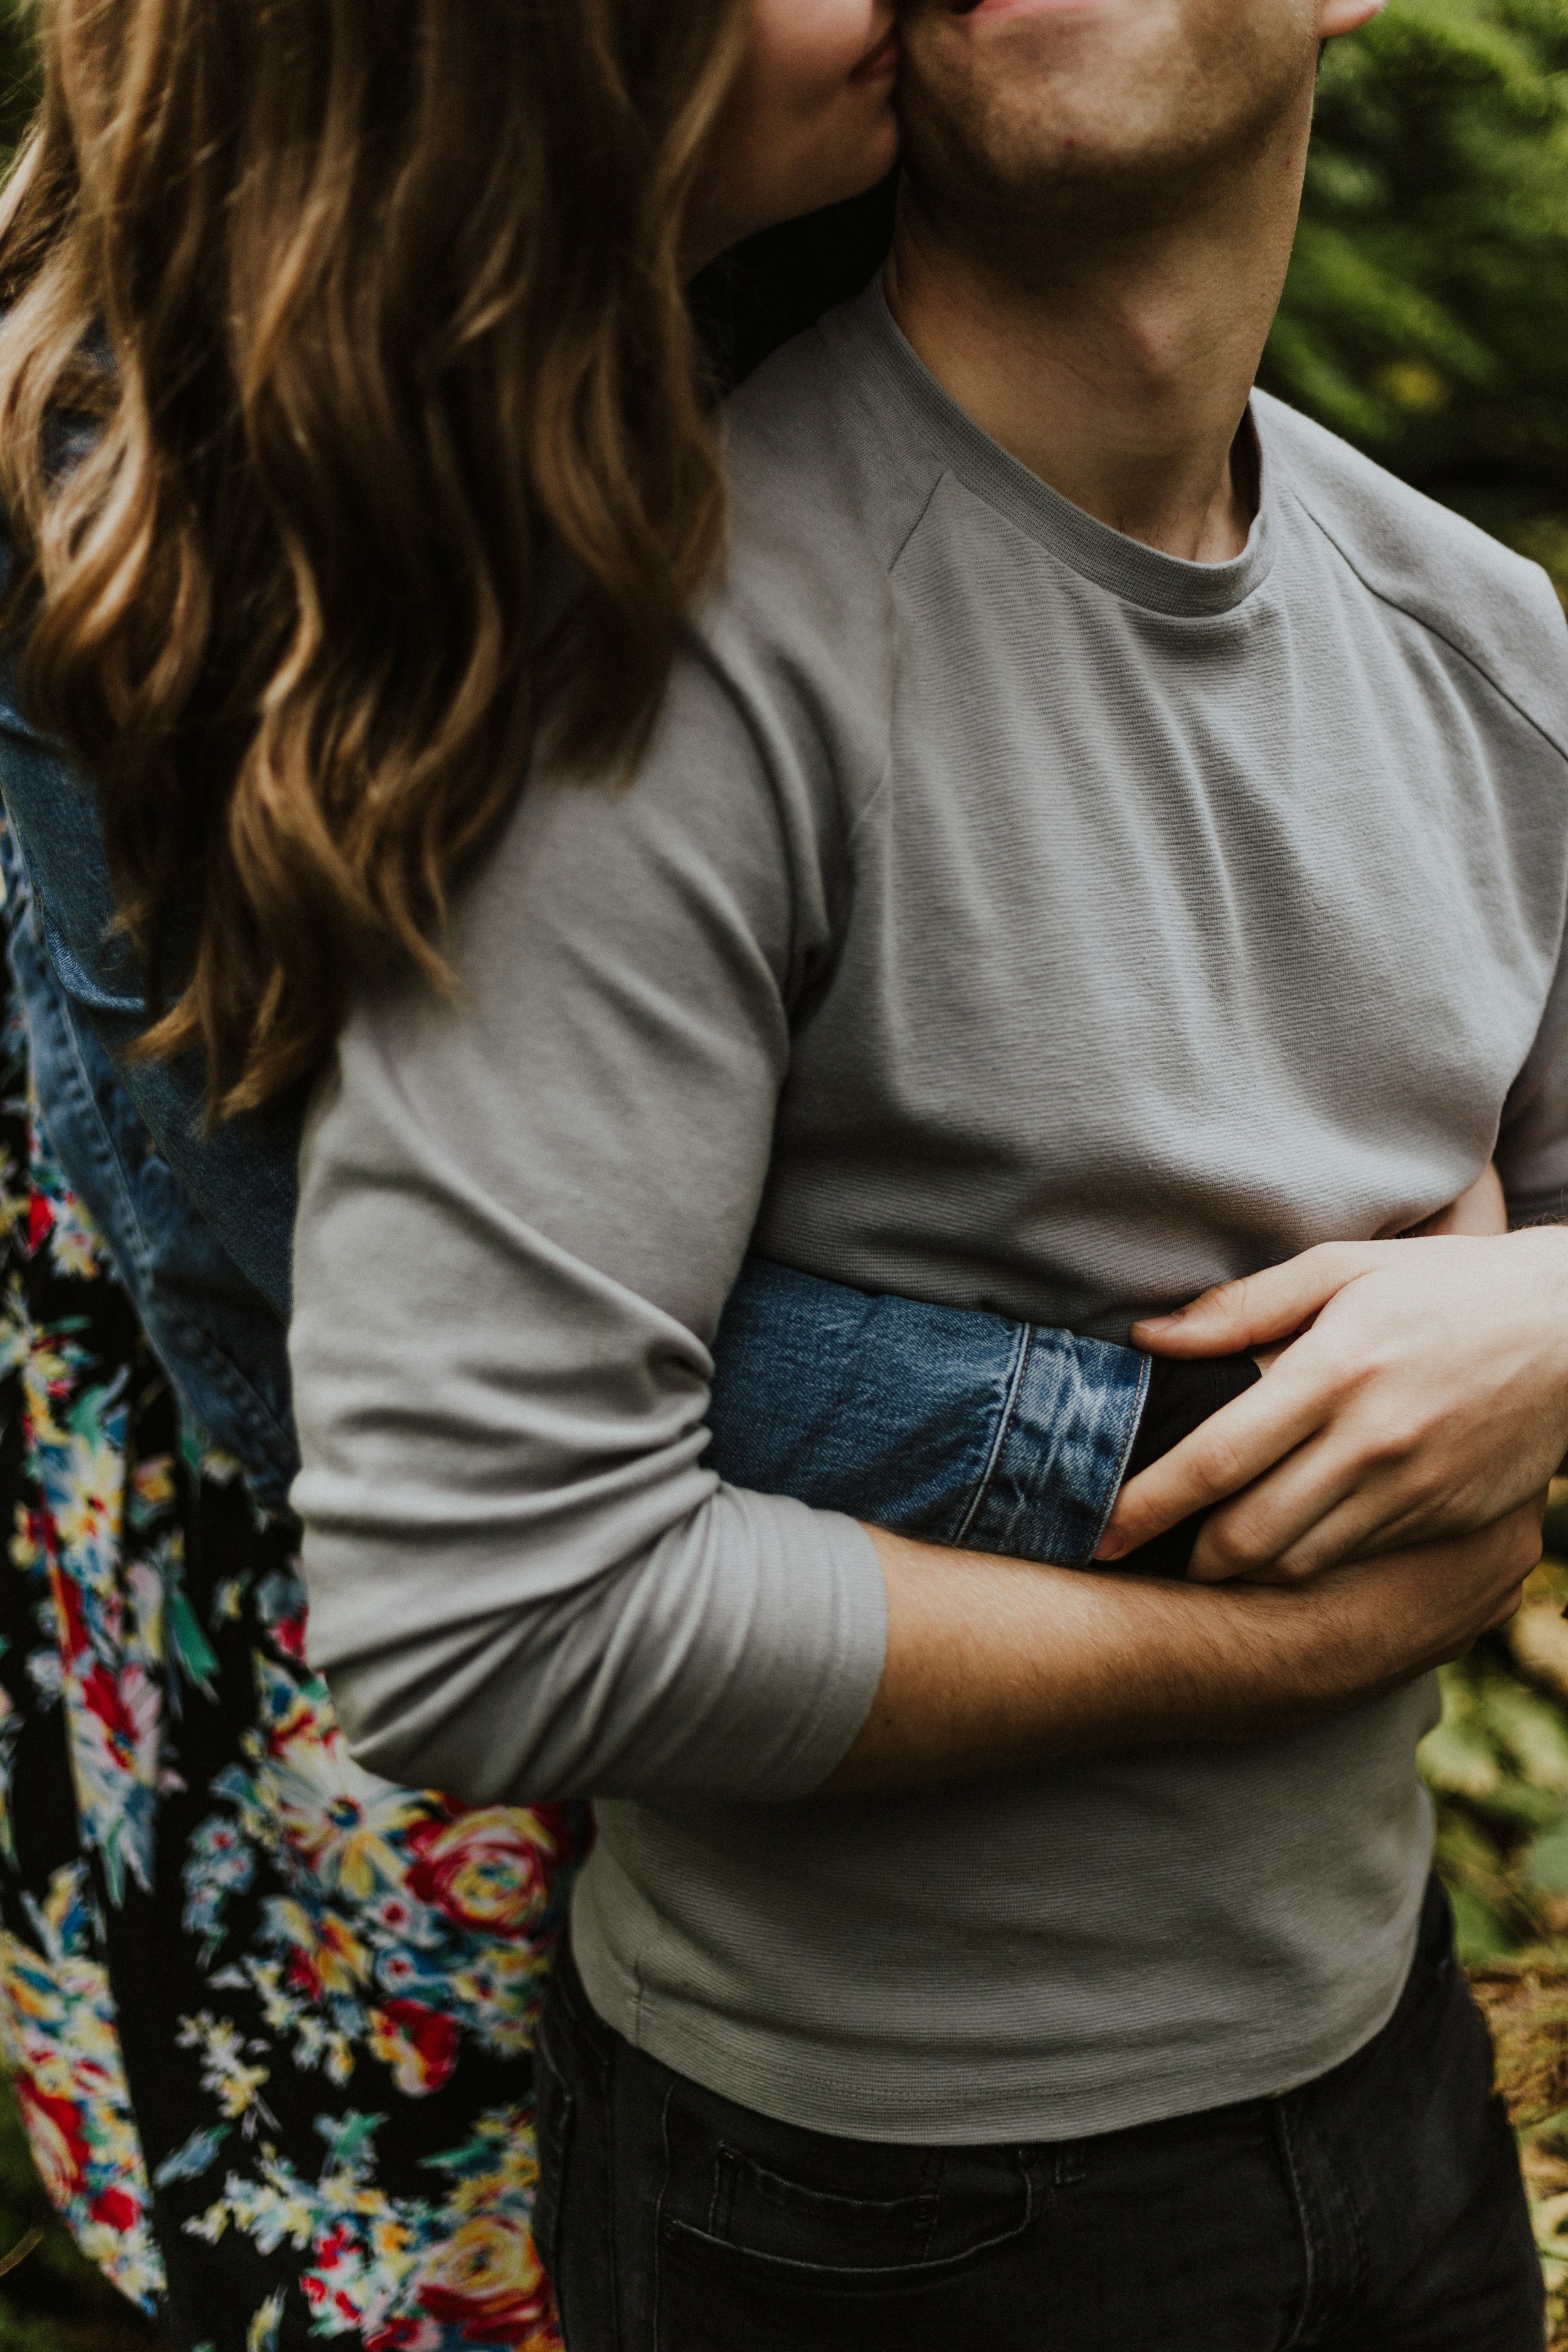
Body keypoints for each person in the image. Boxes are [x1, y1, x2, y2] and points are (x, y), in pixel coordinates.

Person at [284, 0, 1568, 2346]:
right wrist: (1289, 1642)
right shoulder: (651, 652)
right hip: (854, 2213)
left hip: (1397, 2080)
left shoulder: (1490, 654)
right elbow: (478, 1615)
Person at [0, 5, 936, 2347]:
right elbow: (304, 1342)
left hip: (728, 1564)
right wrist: (1151, 1417)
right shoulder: (111, 467)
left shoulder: (850, 308)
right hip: (364, 1628)